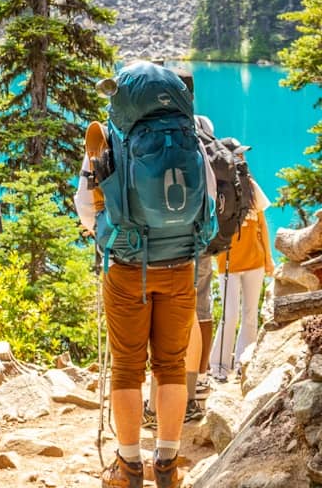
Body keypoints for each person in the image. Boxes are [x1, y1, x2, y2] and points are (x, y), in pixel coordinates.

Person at [74, 60, 217, 488]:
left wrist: (107, 228)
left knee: (127, 368)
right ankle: (168, 466)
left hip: (127, 267)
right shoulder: (188, 136)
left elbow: (85, 207)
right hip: (180, 266)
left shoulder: (108, 139)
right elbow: (208, 199)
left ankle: (129, 466)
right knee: (171, 366)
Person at [209, 164, 274, 381]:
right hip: (228, 263)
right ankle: (218, 365)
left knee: (249, 315)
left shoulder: (252, 188)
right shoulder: (219, 190)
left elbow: (262, 226)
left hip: (254, 262)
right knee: (230, 315)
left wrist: (268, 259)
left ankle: (242, 363)